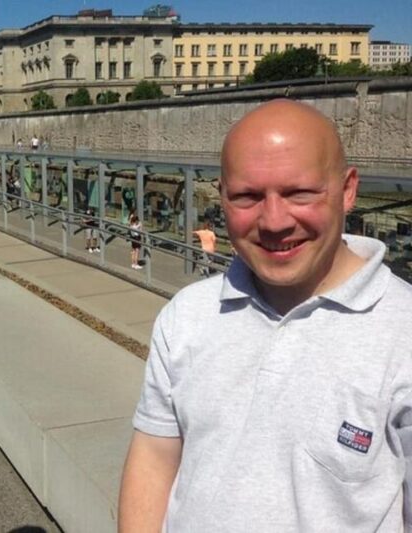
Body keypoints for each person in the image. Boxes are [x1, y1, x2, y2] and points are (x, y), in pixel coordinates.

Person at [119, 98, 412, 532]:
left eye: (299, 193)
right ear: (221, 196)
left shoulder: (402, 329)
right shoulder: (187, 315)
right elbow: (155, 458)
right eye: (248, 196)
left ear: (348, 190)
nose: (274, 221)